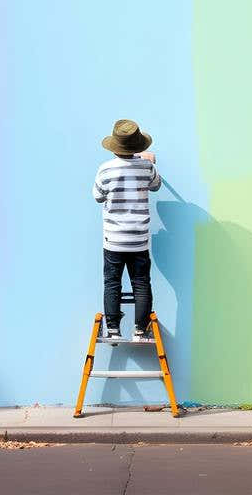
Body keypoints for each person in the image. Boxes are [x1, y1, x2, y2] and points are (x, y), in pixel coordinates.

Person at [92, 119, 162, 341]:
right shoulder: (146, 167)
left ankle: (113, 329)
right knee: (141, 283)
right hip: (138, 240)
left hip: (113, 240)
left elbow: (97, 196)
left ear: (115, 146)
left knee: (112, 282)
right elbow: (155, 185)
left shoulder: (105, 169)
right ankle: (140, 330)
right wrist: (148, 161)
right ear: (138, 146)